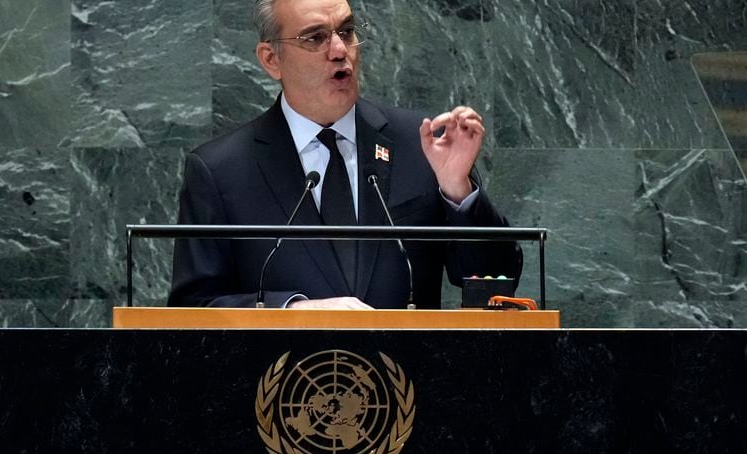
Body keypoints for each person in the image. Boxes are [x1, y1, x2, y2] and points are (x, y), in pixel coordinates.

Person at [168, 0, 522, 309]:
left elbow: (497, 281)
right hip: (282, 381)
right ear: (271, 59)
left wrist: (458, 191)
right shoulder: (220, 171)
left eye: (347, 31)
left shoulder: (420, 144)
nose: (340, 50)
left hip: (407, 379)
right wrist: (290, 309)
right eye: (316, 37)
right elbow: (192, 306)